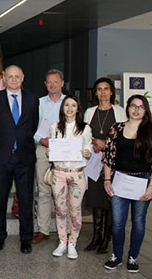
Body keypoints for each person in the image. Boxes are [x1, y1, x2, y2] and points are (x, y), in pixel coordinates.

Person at [103, 95, 152, 272]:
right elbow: (108, 157)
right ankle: (116, 255)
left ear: (146, 110)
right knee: (117, 223)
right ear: (127, 108)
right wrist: (107, 179)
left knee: (138, 222)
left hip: (142, 181)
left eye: (140, 106)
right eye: (133, 106)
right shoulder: (117, 128)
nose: (136, 110)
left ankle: (133, 257)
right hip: (119, 181)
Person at [0, 66, 39, 253]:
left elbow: (32, 125)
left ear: (23, 78)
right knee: (0, 198)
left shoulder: (33, 99)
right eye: (10, 77)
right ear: (4, 78)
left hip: (25, 157)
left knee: (26, 199)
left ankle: (26, 238)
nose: (14, 79)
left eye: (17, 76)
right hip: (1, 157)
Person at [84, 78, 126, 254]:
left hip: (114, 164)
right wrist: (93, 142)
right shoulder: (89, 111)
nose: (102, 92)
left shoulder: (120, 112)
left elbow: (125, 137)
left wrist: (106, 144)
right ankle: (96, 237)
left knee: (110, 200)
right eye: (99, 89)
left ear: (111, 92)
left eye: (106, 89)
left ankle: (106, 239)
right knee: (95, 200)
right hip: (93, 163)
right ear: (95, 92)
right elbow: (84, 135)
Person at [50, 96, 92, 258]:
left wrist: (87, 151)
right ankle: (62, 241)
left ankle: (73, 242)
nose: (69, 108)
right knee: (60, 210)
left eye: (73, 105)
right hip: (59, 172)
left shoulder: (85, 128)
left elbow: (88, 147)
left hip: (77, 173)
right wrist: (50, 152)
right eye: (66, 105)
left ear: (77, 109)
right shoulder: (55, 127)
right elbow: (53, 148)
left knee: (75, 210)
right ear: (62, 108)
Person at [32, 70, 66, 244]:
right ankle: (43, 230)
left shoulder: (69, 103)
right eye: (49, 82)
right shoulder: (38, 103)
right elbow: (33, 128)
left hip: (65, 151)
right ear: (45, 84)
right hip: (43, 149)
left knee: (63, 192)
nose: (52, 85)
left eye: (55, 81)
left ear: (62, 83)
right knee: (43, 190)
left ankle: (66, 232)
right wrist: (41, 139)